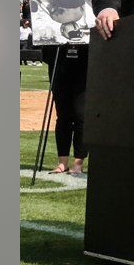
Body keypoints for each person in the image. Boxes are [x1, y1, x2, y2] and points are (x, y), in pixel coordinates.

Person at [44, 44, 88, 177]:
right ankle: (62, 163)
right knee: (63, 116)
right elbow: (45, 52)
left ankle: (78, 163)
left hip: (84, 66)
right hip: (59, 66)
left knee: (81, 115)